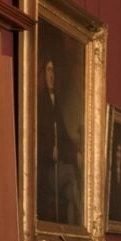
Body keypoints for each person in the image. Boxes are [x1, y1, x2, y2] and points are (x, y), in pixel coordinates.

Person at [35, 56, 82, 226]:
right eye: (48, 70)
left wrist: (76, 153)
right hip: (44, 170)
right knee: (71, 173)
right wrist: (50, 151)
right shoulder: (39, 102)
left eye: (53, 71)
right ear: (43, 74)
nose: (51, 75)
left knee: (71, 194)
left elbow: (64, 136)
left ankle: (74, 232)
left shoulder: (57, 103)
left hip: (56, 167)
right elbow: (35, 136)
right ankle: (83, 220)